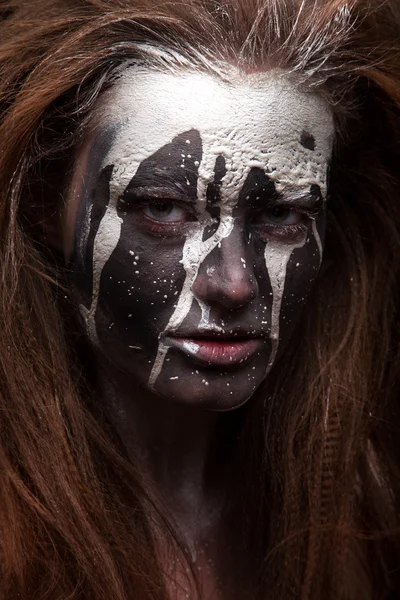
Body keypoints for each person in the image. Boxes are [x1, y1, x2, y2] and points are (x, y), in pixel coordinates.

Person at [0, 0, 399, 598]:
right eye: (161, 208)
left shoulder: (371, 512)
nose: (234, 284)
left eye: (281, 214)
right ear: (43, 204)